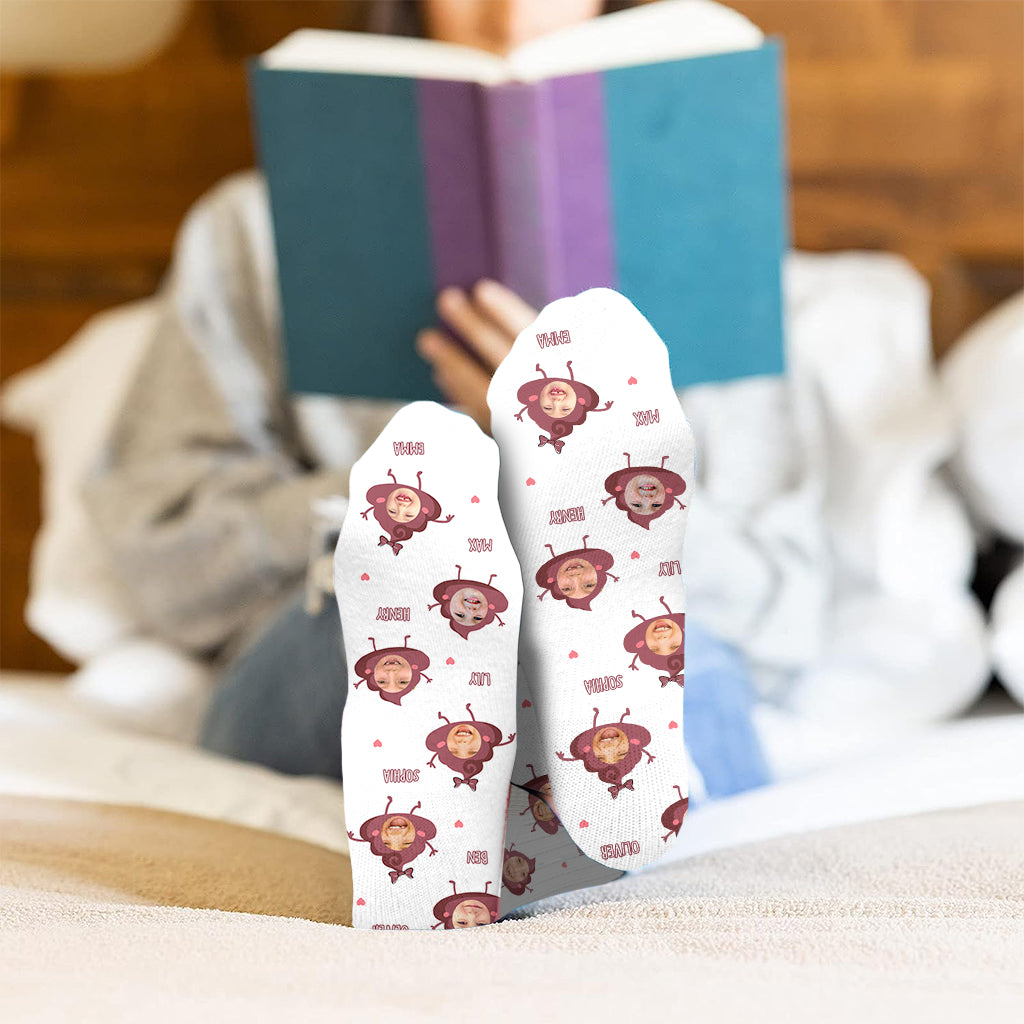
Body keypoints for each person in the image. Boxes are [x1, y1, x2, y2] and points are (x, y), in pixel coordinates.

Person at [83, 0, 634, 779]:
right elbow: (163, 553)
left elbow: (781, 594)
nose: (510, 12)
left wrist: (587, 468)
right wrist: (411, 493)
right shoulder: (253, 227)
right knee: (439, 595)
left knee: (634, 633)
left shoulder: (701, 226)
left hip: (641, 627)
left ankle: (561, 783)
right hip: (340, 629)